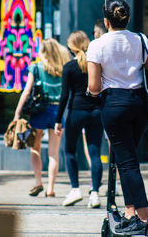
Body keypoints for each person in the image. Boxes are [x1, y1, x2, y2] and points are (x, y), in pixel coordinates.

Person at [87, 0, 148, 235]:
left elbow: (94, 86)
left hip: (114, 104)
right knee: (125, 158)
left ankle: (147, 219)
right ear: (126, 18)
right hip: (139, 104)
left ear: (106, 21)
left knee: (127, 163)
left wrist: (90, 90)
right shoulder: (141, 38)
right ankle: (129, 212)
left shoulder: (97, 45)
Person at [14, 38, 69, 197]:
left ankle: (38, 181)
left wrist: (18, 113)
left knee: (35, 147)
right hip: (57, 111)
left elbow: (26, 91)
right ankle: (51, 188)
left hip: (39, 111)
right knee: (54, 153)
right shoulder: (62, 68)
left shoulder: (36, 67)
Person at [54, 30, 103, 208]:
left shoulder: (69, 67)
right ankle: (95, 193)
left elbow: (64, 96)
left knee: (69, 151)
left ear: (71, 47)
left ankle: (75, 189)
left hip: (76, 112)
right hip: (97, 111)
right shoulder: (96, 64)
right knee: (95, 153)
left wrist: (58, 120)